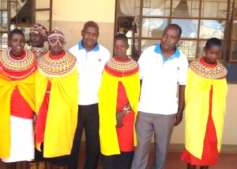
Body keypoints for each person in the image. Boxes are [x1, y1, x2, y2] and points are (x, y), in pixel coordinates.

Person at [131, 24, 188, 169]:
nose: (167, 39)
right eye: (165, 35)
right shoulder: (148, 53)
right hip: (145, 110)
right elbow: (138, 80)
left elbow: (182, 86)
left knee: (161, 151)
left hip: (167, 112)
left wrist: (180, 111)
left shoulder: (181, 59)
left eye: (172, 37)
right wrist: (134, 104)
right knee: (140, 150)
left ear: (178, 40)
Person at [0, 28, 36, 169]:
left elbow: (35, 87)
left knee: (25, 156)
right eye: (15, 40)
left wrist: (35, 110)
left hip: (26, 115)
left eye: (21, 41)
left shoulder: (32, 61)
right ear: (9, 42)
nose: (18, 44)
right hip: (7, 115)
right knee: (10, 155)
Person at [68, 21, 111, 169]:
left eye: (94, 34)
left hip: (95, 106)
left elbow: (108, 80)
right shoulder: (72, 52)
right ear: (82, 33)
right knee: (73, 142)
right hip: (75, 105)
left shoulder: (105, 54)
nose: (90, 37)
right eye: (88, 33)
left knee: (94, 144)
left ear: (97, 35)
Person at [181, 38, 228, 169]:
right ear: (205, 51)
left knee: (208, 150)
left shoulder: (222, 71)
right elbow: (188, 91)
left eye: (216, 53)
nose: (213, 56)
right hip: (197, 116)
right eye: (210, 52)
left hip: (214, 119)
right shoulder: (193, 68)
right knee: (193, 147)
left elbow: (223, 93)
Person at [34, 28, 78, 167]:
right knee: (44, 138)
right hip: (44, 106)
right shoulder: (41, 61)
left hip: (62, 108)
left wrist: (55, 87)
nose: (57, 43)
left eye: (60, 40)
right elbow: (37, 85)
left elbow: (72, 88)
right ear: (49, 42)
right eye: (53, 40)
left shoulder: (72, 61)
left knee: (60, 137)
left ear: (63, 42)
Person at [99, 34, 140, 169]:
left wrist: (123, 113)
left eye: (122, 46)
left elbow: (135, 95)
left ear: (127, 47)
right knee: (109, 149)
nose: (119, 49)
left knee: (125, 151)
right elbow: (103, 93)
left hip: (127, 116)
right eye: (116, 46)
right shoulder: (107, 66)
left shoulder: (135, 67)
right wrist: (112, 115)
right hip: (108, 116)